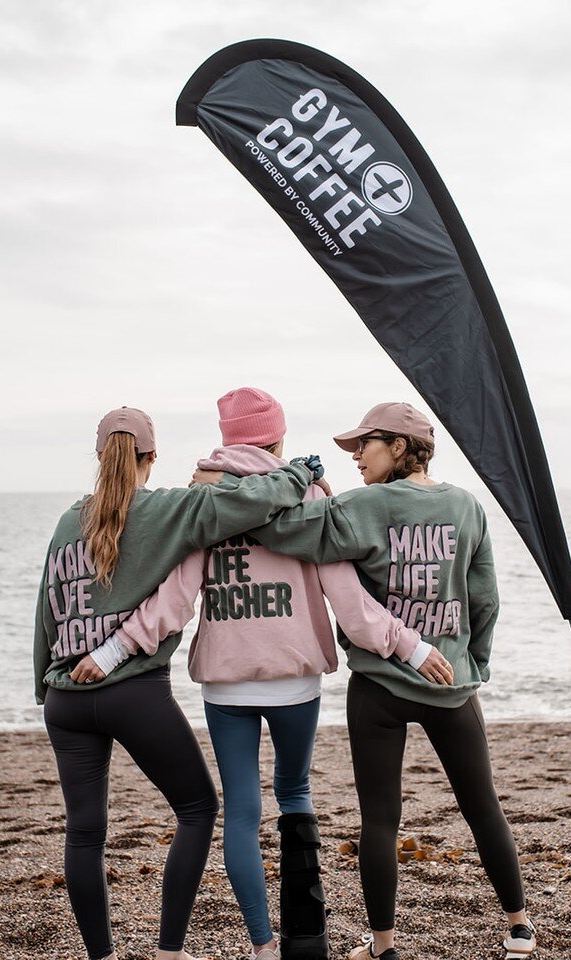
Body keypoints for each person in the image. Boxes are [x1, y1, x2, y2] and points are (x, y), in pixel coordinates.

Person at [85, 388, 450, 960]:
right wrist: (409, 646)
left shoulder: (203, 500)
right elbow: (349, 605)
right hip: (295, 680)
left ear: (228, 439)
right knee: (295, 792)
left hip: (227, 684)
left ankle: (261, 945)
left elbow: (174, 601)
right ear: (276, 439)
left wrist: (109, 653)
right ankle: (306, 942)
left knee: (242, 810)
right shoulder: (306, 495)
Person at [195, 402, 536, 960]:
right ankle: (519, 926)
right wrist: (475, 663)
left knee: (380, 817)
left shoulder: (362, 507)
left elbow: (277, 528)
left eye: (365, 445)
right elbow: (485, 599)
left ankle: (383, 946)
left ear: (399, 446)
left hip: (380, 685)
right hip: (451, 682)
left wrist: (226, 483)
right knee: (482, 805)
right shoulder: (467, 507)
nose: (355, 457)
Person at [32, 405, 321, 960]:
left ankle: (102, 956)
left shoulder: (69, 521)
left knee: (85, 832)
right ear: (151, 456)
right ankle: (168, 951)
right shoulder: (166, 510)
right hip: (132, 692)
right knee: (197, 809)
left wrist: (46, 688)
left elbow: (46, 612)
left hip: (65, 699)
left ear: (99, 457)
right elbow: (253, 500)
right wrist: (301, 471)